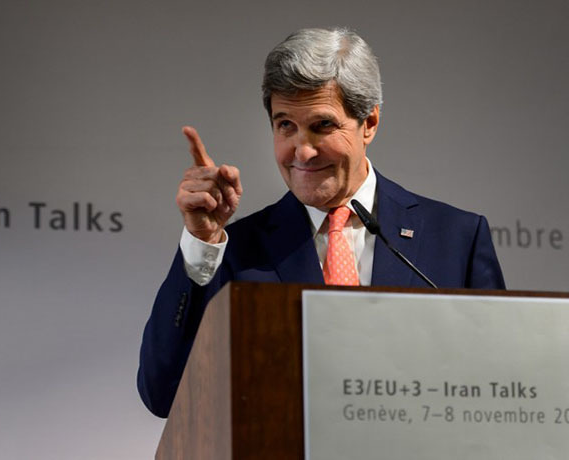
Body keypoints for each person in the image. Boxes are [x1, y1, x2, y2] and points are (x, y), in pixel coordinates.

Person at [138, 27, 505, 418]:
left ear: (370, 122)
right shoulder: (236, 252)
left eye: (322, 125)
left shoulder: (456, 240)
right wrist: (201, 244)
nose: (303, 151)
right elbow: (164, 393)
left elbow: (501, 390)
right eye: (285, 126)